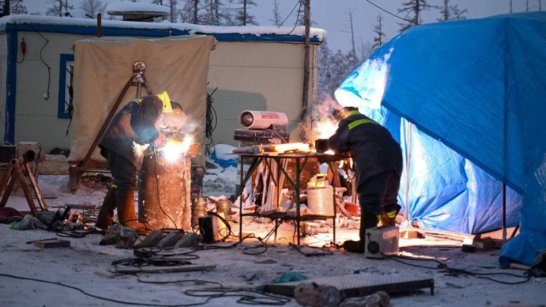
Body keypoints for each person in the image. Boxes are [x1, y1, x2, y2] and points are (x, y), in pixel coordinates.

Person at [328, 106, 403, 253]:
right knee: (388, 200)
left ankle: (365, 243)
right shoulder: (371, 123)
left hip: (375, 162)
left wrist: (327, 143)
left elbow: (336, 144)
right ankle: (388, 237)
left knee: (370, 201)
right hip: (395, 160)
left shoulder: (348, 122)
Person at [95, 94, 165, 233]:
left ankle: (104, 220)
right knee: (126, 182)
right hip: (119, 146)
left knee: (119, 182)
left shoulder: (137, 108)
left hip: (115, 145)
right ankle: (128, 221)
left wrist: (155, 136)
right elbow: (130, 127)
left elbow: (144, 127)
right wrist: (147, 138)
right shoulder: (134, 110)